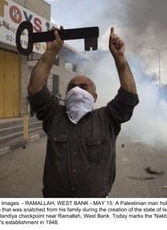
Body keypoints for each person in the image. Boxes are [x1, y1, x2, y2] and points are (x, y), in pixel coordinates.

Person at [28, 26, 139, 197]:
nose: (76, 90)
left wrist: (120, 59)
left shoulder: (107, 118)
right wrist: (51, 52)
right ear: (65, 95)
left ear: (94, 96)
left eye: (83, 87)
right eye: (71, 87)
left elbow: (129, 96)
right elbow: (35, 89)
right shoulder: (53, 115)